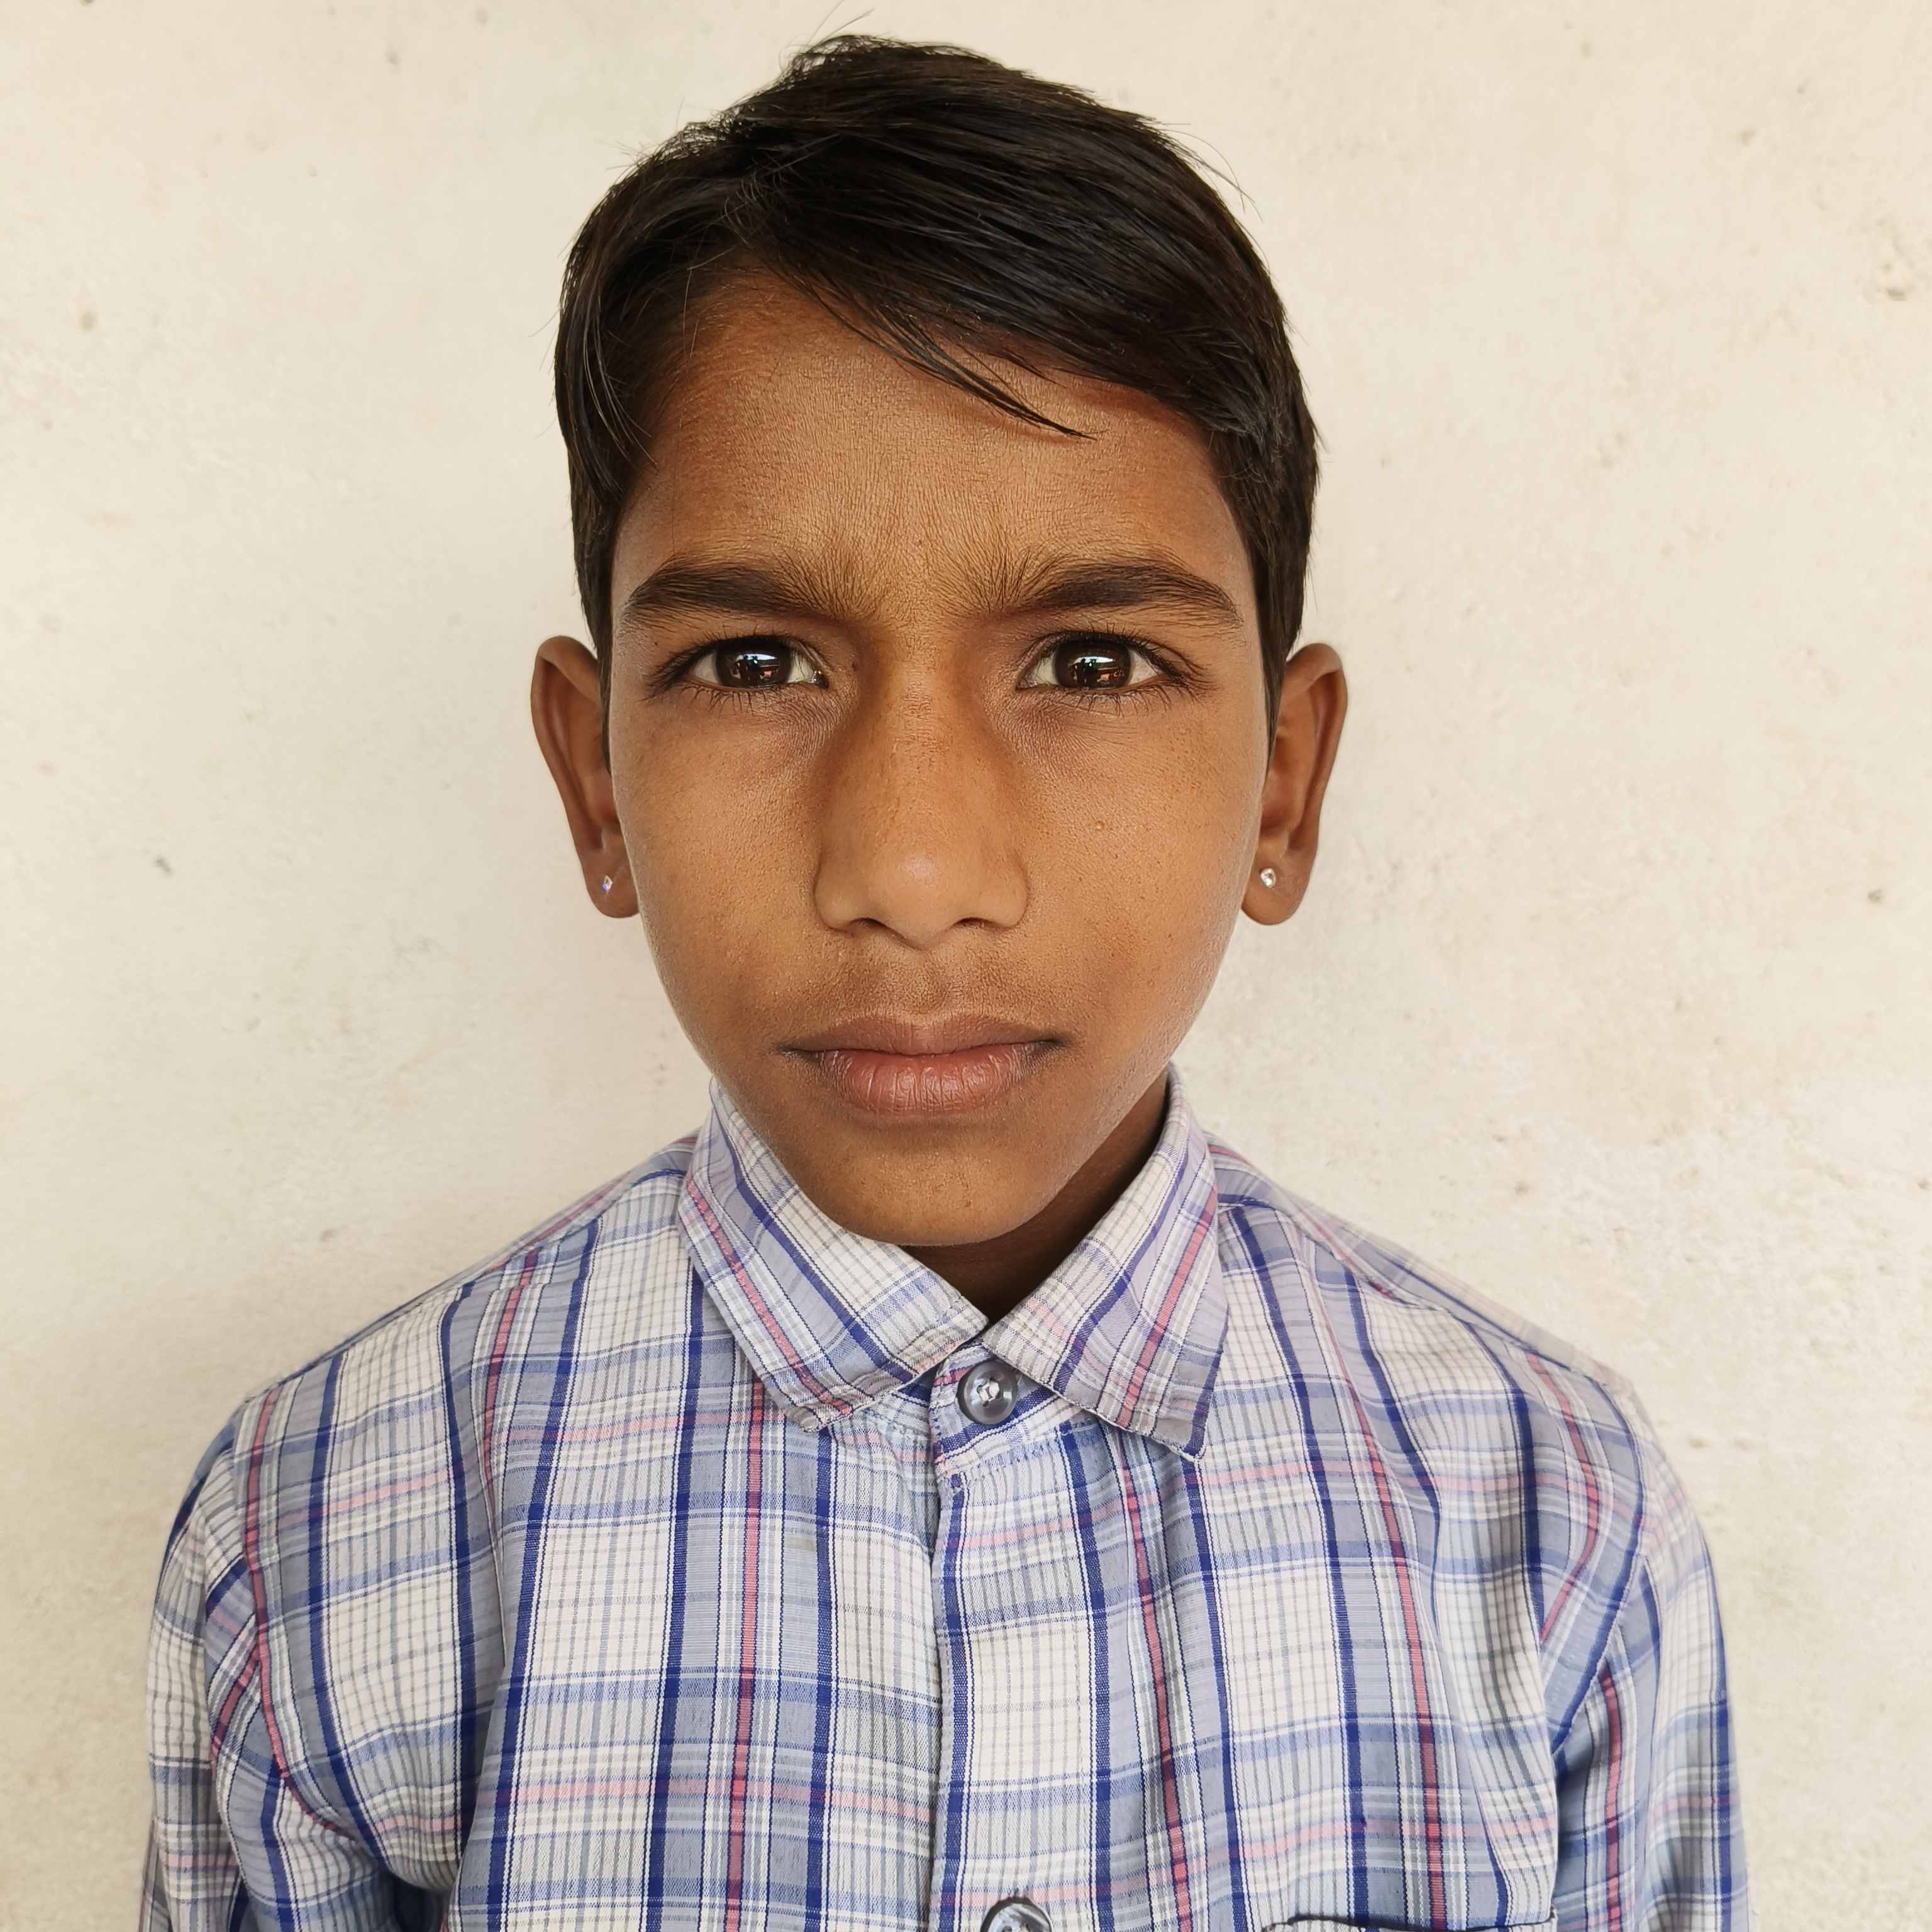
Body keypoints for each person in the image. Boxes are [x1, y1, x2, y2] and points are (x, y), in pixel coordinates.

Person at [142, 36, 1746, 1932]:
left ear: (1284, 788)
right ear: (596, 784)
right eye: (754, 665)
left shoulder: (1549, 1525)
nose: (912, 876)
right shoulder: (322, 1539)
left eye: (1091, 663)